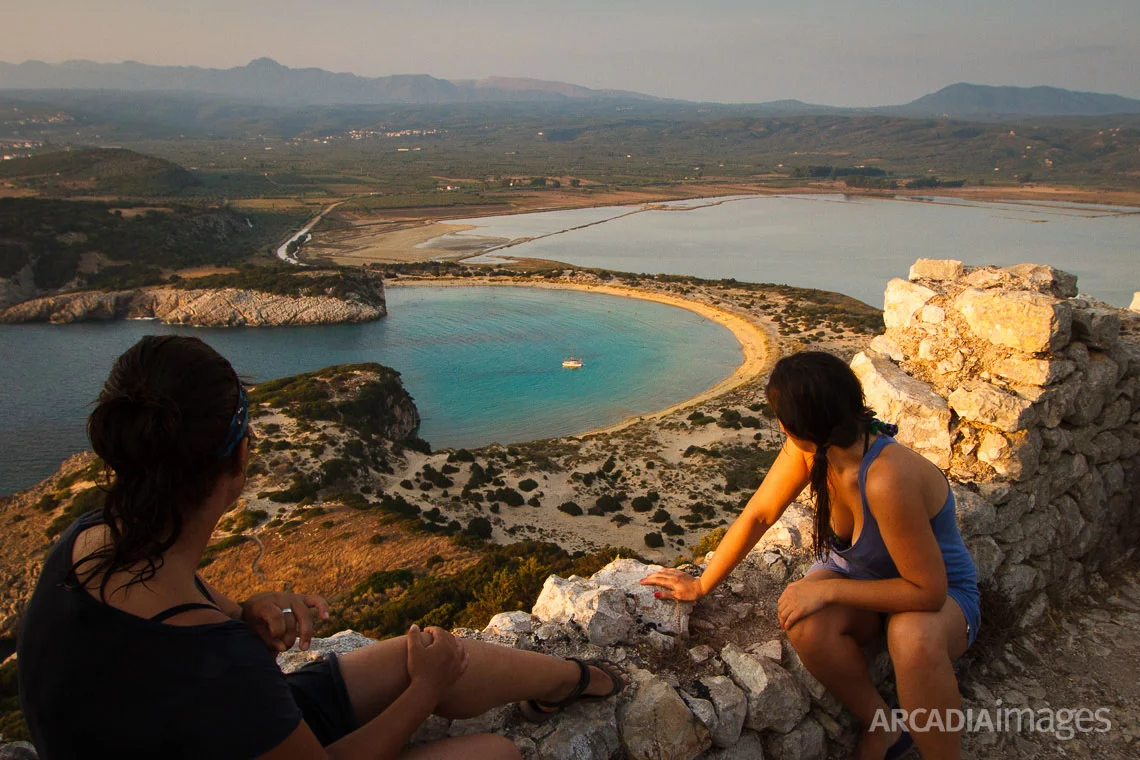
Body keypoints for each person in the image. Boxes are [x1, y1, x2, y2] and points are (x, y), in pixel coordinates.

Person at [18, 335, 625, 760]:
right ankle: (570, 681)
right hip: (230, 733)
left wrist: (243, 609)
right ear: (237, 456)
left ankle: (569, 680)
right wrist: (426, 689)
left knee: (436, 649)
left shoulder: (92, 537)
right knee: (493, 751)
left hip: (198, 735)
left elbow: (181, 617)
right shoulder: (216, 662)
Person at [642, 351, 980, 760]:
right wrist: (701, 583)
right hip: (863, 584)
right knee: (803, 623)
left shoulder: (886, 478)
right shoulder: (810, 450)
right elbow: (760, 514)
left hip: (941, 602)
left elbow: (926, 592)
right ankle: (884, 727)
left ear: (801, 425)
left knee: (911, 636)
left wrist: (829, 592)